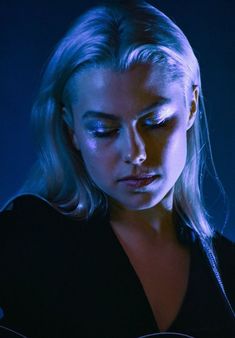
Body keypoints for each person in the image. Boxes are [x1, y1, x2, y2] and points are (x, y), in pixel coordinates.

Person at [0, 1, 234, 337]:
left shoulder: (228, 269)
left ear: (192, 106)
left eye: (155, 123)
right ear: (71, 130)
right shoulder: (22, 239)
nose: (136, 154)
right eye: (104, 130)